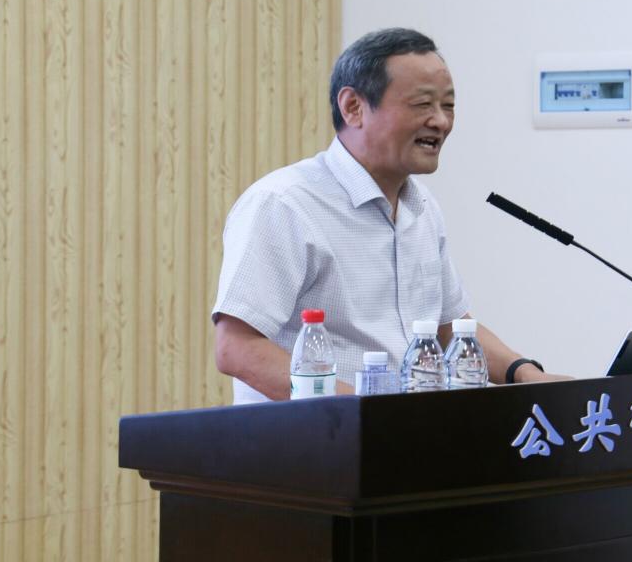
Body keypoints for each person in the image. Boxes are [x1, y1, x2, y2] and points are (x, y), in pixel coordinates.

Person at [212, 27, 567, 402]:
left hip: (407, 432)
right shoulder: (284, 204)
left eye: (448, 106)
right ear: (353, 107)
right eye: (422, 104)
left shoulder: (422, 207)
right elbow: (237, 348)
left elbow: (450, 328)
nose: (441, 121)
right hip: (319, 436)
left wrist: (526, 374)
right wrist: (366, 413)